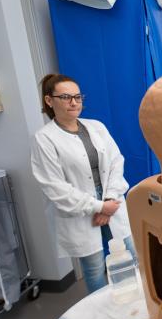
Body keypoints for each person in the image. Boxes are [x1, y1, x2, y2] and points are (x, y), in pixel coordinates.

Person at [31, 74, 136, 294]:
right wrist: (98, 207)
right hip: (80, 208)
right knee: (95, 267)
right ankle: (100, 316)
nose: (74, 102)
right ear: (49, 101)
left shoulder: (95, 126)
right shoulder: (45, 138)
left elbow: (116, 162)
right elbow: (54, 186)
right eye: (66, 97)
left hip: (111, 200)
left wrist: (108, 201)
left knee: (130, 255)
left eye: (78, 97)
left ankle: (136, 307)